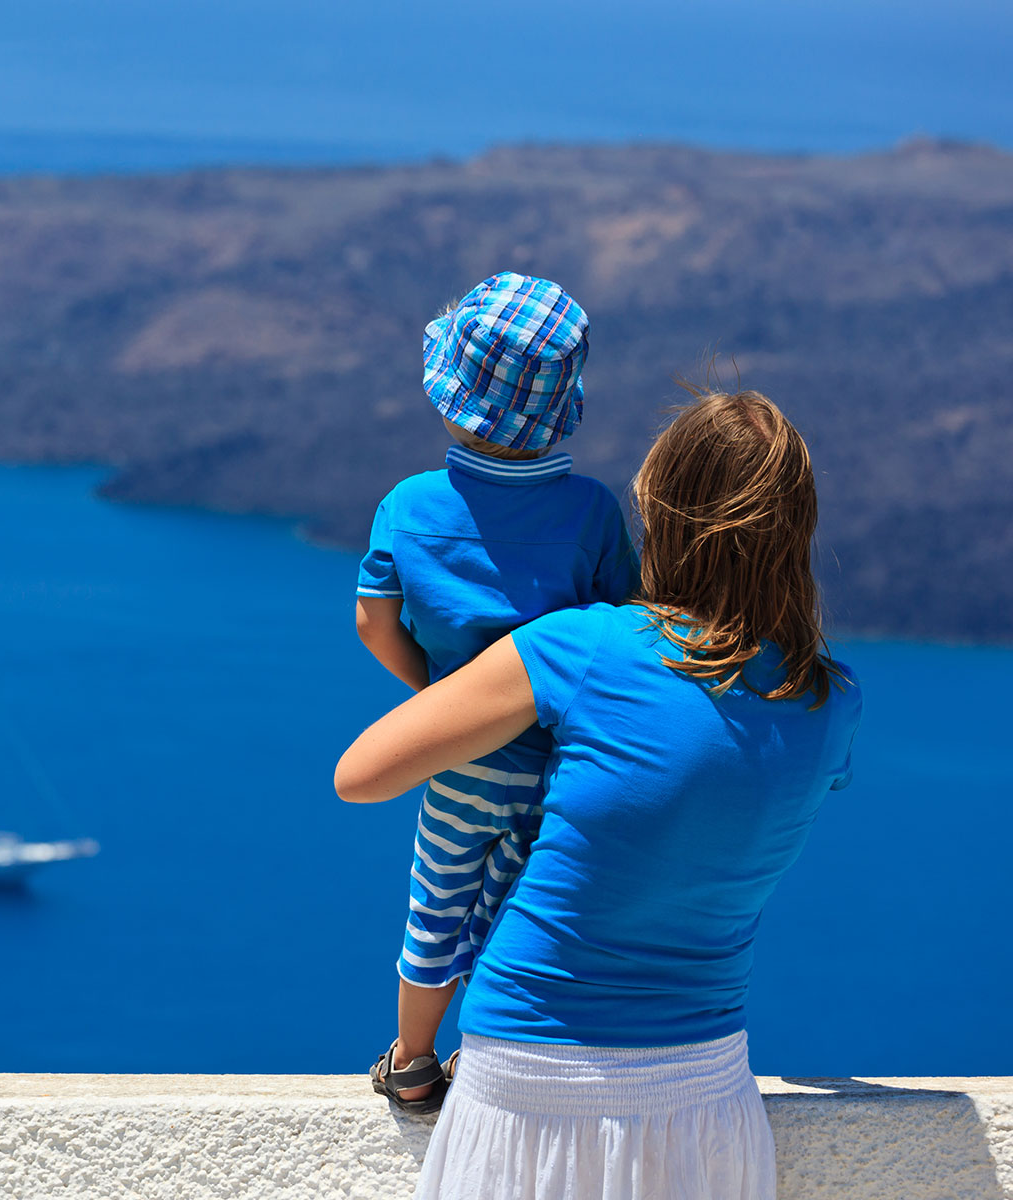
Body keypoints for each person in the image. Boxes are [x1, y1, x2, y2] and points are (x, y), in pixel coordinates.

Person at [335, 388, 863, 1200]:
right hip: (708, 1100)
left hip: (528, 1087)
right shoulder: (831, 702)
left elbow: (362, 774)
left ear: (661, 513)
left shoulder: (582, 650)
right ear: (796, 531)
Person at [355, 271, 637, 1112]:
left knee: (437, 904)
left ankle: (412, 1061)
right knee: (522, 912)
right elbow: (621, 630)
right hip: (559, 766)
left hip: (458, 765)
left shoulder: (408, 507)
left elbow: (374, 623)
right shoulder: (591, 513)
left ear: (455, 399)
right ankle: (509, 1059)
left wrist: (440, 699)